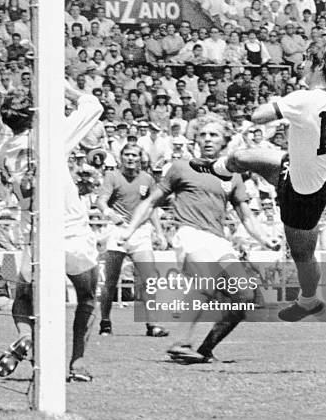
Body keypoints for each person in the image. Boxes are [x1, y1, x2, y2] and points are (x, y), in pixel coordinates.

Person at [189, 41, 326, 322]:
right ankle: (219, 168)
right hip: (299, 172)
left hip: (303, 193)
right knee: (241, 158)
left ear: (319, 66)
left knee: (303, 255)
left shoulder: (302, 98)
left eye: (306, 60)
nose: (302, 64)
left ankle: (308, 300)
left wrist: (277, 102)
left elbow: (257, 116)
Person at [120, 114, 279, 363]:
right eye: (203, 134)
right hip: (189, 233)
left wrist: (265, 239)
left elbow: (246, 216)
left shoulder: (234, 176)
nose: (207, 139)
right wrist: (129, 230)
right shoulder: (181, 167)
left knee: (245, 296)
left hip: (219, 240)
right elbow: (151, 201)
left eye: (214, 135)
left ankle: (205, 350)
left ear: (225, 140)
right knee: (205, 278)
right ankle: (180, 343)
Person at [0, 84, 103, 382]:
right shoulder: (50, 137)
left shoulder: (1, 153)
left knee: (24, 297)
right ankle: (77, 362)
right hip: (70, 231)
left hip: (35, 233)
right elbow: (93, 106)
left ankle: (25, 335)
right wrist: (63, 86)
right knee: (87, 296)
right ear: (34, 112)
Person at [96, 142, 169, 338]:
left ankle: (152, 324)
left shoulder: (147, 178)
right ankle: (105, 322)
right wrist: (110, 214)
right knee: (111, 281)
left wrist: (160, 232)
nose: (130, 158)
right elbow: (100, 200)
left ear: (140, 158)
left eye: (134, 155)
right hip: (118, 231)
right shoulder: (113, 176)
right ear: (121, 157)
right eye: (127, 154)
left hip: (140, 231)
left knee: (149, 278)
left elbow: (150, 207)